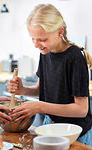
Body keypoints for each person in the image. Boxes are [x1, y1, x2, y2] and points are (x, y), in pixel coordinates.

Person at [7, 4, 92, 146]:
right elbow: (42, 90)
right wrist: (23, 90)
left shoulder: (75, 58)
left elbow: (81, 110)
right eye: (32, 38)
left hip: (75, 133)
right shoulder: (45, 53)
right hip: (51, 127)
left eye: (42, 39)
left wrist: (40, 107)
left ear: (60, 32)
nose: (36, 44)